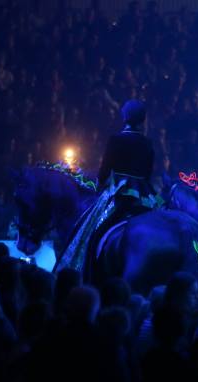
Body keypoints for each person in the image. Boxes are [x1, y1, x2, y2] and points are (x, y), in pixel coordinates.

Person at [55, 100, 157, 276]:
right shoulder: (148, 143)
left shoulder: (117, 140)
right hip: (144, 194)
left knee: (94, 231)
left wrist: (99, 184)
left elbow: (105, 170)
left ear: (125, 117)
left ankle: (88, 271)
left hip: (119, 192)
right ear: (143, 120)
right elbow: (148, 173)